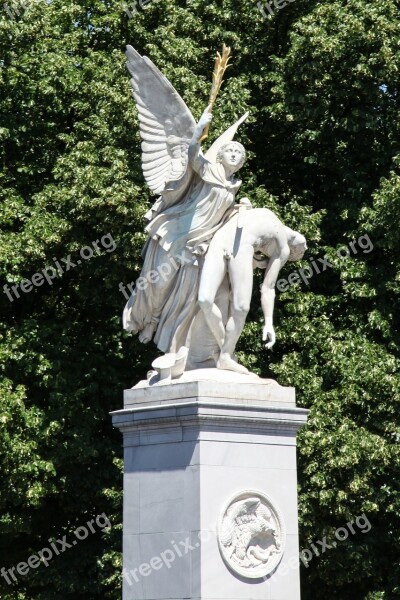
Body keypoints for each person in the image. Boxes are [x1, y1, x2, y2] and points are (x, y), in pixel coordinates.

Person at [123, 106, 248, 353]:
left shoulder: (234, 187)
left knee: (187, 296)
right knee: (158, 283)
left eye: (239, 152)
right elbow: (193, 154)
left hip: (198, 244)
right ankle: (149, 320)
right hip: (176, 232)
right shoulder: (209, 170)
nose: (234, 154)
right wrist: (198, 131)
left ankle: (176, 341)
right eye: (230, 150)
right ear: (220, 156)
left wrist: (241, 208)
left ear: (242, 161)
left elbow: (223, 216)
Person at [197, 207, 307, 373]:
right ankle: (225, 349)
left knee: (240, 308)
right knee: (205, 300)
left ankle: (225, 355)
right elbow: (268, 288)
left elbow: (268, 288)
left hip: (238, 245)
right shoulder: (274, 227)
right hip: (222, 239)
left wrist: (269, 323)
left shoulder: (278, 240)